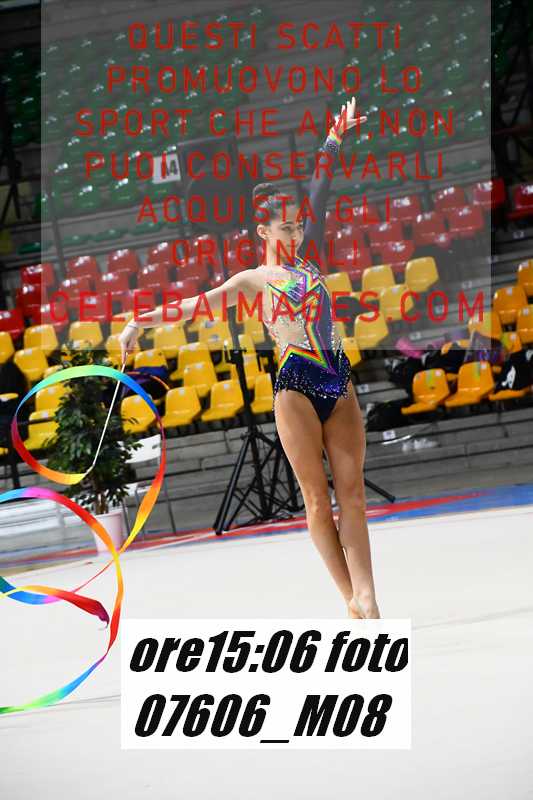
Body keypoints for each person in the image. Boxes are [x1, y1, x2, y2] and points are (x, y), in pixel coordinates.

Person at [120, 96, 380, 619]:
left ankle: (369, 597)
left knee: (352, 494)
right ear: (263, 232)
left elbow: (320, 188)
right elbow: (193, 306)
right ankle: (348, 597)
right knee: (316, 499)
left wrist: (334, 137)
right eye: (286, 229)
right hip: (296, 387)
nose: (296, 234)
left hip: (339, 379)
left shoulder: (311, 260)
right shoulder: (251, 280)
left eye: (298, 227)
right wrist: (137, 322)